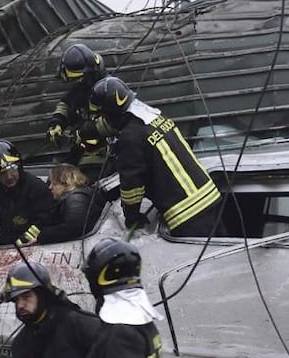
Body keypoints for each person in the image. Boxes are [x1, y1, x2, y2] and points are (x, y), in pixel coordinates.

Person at [88, 76, 224, 237]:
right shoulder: (154, 118)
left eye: (102, 115)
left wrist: (132, 218)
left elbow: (132, 185)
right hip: (210, 197)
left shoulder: (130, 136)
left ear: (111, 113)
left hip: (187, 214)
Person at [0, 139, 55, 248]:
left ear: (19, 166)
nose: (9, 177)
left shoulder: (36, 188)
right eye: (2, 173)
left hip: (32, 246)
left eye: (12, 169)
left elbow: (48, 217)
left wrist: (28, 237)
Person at [46, 44, 113, 183]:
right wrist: (57, 122)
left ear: (88, 75)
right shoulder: (82, 88)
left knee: (85, 186)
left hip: (106, 153)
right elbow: (66, 103)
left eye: (76, 79)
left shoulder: (109, 90)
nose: (73, 84)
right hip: (81, 148)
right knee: (55, 181)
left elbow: (116, 122)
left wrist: (85, 132)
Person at [17, 163, 107, 245]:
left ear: (66, 182)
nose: (50, 187)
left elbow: (74, 226)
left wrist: (43, 236)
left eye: (54, 184)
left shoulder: (76, 199)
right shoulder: (73, 198)